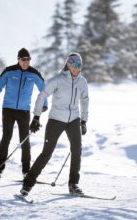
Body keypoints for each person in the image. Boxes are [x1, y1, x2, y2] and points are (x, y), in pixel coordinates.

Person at [20, 52, 89, 197]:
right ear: (69, 64)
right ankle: (28, 183)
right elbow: (42, 95)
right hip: (56, 120)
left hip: (73, 120)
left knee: (77, 150)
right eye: (75, 65)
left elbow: (85, 100)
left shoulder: (82, 82)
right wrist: (36, 116)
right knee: (47, 153)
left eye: (80, 66)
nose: (77, 68)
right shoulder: (57, 80)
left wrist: (83, 120)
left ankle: (73, 184)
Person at [0, 48, 48, 179]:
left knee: (25, 141)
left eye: (28, 60)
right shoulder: (9, 71)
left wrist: (44, 105)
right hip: (8, 110)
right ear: (18, 59)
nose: (26, 62)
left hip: (24, 111)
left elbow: (44, 89)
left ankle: (26, 170)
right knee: (6, 138)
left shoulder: (34, 73)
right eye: (23, 60)